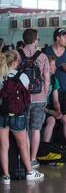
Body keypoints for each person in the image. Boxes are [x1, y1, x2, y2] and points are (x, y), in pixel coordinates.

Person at [0, 51, 45, 185]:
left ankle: (6, 176)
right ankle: (30, 172)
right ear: (15, 63)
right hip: (18, 115)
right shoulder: (23, 76)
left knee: (3, 146)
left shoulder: (1, 77)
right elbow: (26, 94)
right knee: (23, 145)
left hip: (2, 115)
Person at [17, 29, 50, 169]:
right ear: (35, 40)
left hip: (21, 98)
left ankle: (22, 157)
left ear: (24, 39)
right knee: (35, 129)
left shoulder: (17, 55)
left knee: (23, 129)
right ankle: (32, 159)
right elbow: (47, 79)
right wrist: (45, 95)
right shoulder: (43, 57)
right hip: (39, 98)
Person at [42, 55, 66, 159]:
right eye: (52, 65)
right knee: (51, 120)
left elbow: (55, 100)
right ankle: (44, 150)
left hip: (49, 109)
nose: (55, 67)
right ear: (45, 67)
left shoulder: (54, 80)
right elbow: (38, 105)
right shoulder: (40, 81)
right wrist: (52, 112)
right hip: (40, 110)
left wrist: (58, 111)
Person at [44, 28, 66, 127]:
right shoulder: (46, 51)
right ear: (58, 38)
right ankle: (49, 141)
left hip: (65, 88)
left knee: (65, 117)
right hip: (49, 89)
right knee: (51, 118)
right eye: (64, 37)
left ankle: (64, 141)